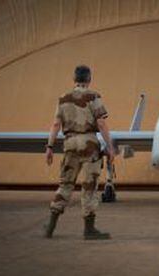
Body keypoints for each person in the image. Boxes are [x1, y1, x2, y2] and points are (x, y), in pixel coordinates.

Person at [44, 65, 115, 239]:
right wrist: (110, 147)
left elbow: (55, 124)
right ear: (89, 79)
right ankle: (89, 229)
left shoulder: (63, 98)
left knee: (65, 185)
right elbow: (101, 123)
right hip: (89, 145)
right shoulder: (93, 96)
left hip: (70, 145)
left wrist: (50, 147)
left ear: (74, 79)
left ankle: (50, 227)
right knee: (89, 187)